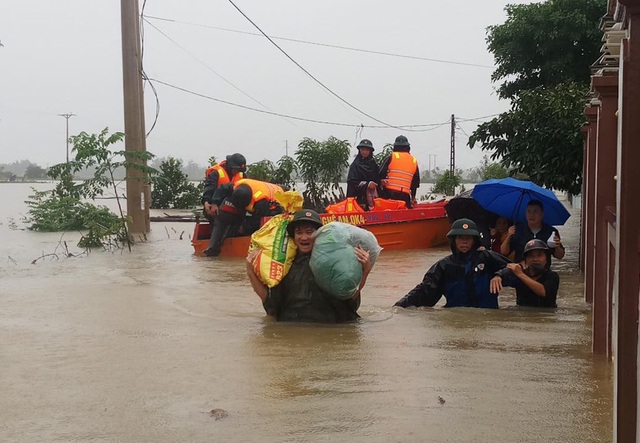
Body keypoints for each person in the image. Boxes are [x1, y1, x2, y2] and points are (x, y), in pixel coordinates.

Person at [246, 209, 373, 323]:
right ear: (293, 236)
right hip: (293, 329)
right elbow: (270, 305)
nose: (304, 237)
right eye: (299, 232)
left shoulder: (333, 261)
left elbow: (350, 299)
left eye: (309, 232)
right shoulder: (285, 265)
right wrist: (250, 270)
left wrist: (365, 271)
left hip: (330, 327)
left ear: (319, 235)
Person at [393, 218, 511, 309]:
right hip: (457, 320)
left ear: (474, 240)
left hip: (487, 319)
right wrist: (398, 308)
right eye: (460, 237)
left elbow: (516, 269)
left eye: (468, 238)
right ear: (454, 240)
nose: (464, 242)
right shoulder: (443, 266)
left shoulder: (487, 257)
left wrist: (499, 275)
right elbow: (424, 291)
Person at [204, 178, 283, 257]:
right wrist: (214, 203)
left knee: (262, 224)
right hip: (256, 194)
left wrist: (245, 227)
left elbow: (259, 220)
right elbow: (221, 189)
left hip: (275, 207)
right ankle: (213, 248)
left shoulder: (261, 202)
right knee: (223, 214)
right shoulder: (236, 186)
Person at [490, 239, 560, 308]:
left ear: (546, 259)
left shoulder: (552, 276)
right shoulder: (519, 274)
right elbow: (506, 272)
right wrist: (498, 276)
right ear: (526, 260)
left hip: (546, 315)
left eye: (539, 255)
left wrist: (520, 274)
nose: (535, 259)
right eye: (531, 256)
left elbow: (543, 292)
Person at [500, 200, 565, 263]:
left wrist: (557, 246)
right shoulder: (518, 229)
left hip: (543, 270)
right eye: (529, 212)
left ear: (542, 214)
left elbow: (560, 256)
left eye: (535, 212)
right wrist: (509, 236)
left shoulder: (551, 231)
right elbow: (504, 252)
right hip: (522, 269)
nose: (531, 215)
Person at [201, 153, 247, 221]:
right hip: (216, 204)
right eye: (236, 169)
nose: (237, 172)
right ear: (230, 166)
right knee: (213, 214)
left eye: (239, 170)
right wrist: (206, 202)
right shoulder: (216, 173)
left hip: (234, 206)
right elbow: (209, 188)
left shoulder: (242, 175)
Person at [378, 135, 420, 208]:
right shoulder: (413, 161)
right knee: (405, 213)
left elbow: (380, 174)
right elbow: (415, 183)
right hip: (405, 195)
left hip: (389, 193)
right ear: (408, 147)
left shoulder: (392, 156)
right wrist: (413, 198)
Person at [346, 139, 380, 210]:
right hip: (359, 199)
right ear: (359, 150)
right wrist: (367, 184)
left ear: (370, 151)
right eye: (362, 149)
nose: (364, 152)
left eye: (367, 150)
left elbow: (377, 179)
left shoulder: (374, 165)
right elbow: (352, 182)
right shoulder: (355, 165)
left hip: (373, 199)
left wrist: (381, 182)